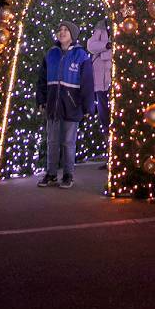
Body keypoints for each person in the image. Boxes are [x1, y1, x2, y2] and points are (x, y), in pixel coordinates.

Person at [36, 20, 95, 188]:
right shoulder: (51, 54)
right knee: (52, 141)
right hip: (53, 106)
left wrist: (87, 106)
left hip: (72, 106)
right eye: (60, 29)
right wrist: (41, 99)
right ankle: (51, 174)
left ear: (73, 35)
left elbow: (87, 83)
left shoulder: (81, 56)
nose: (62, 32)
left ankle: (68, 175)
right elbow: (42, 80)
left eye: (66, 30)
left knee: (68, 143)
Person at [87, 20, 112, 143]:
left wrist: (106, 52)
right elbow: (91, 46)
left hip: (112, 74)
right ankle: (107, 132)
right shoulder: (101, 27)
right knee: (103, 105)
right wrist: (106, 45)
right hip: (100, 76)